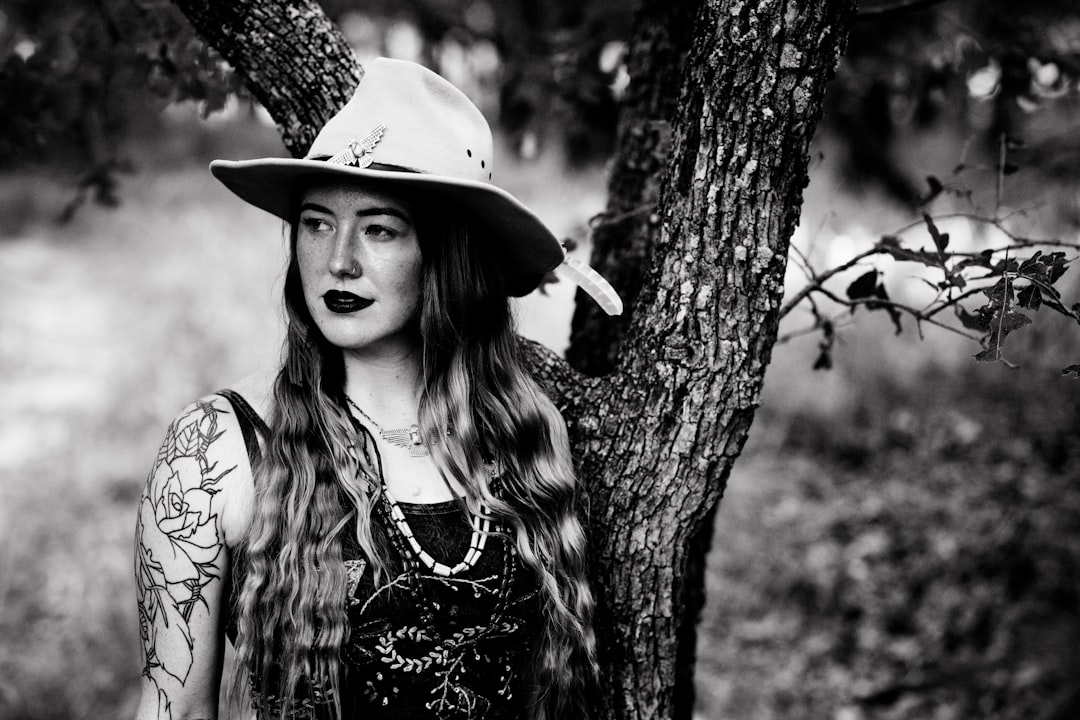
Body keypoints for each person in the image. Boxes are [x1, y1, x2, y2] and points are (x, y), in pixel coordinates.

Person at [133, 57, 619, 720]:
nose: (339, 259)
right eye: (317, 222)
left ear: (446, 256)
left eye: (380, 228)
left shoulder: (523, 433)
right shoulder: (217, 452)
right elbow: (174, 714)